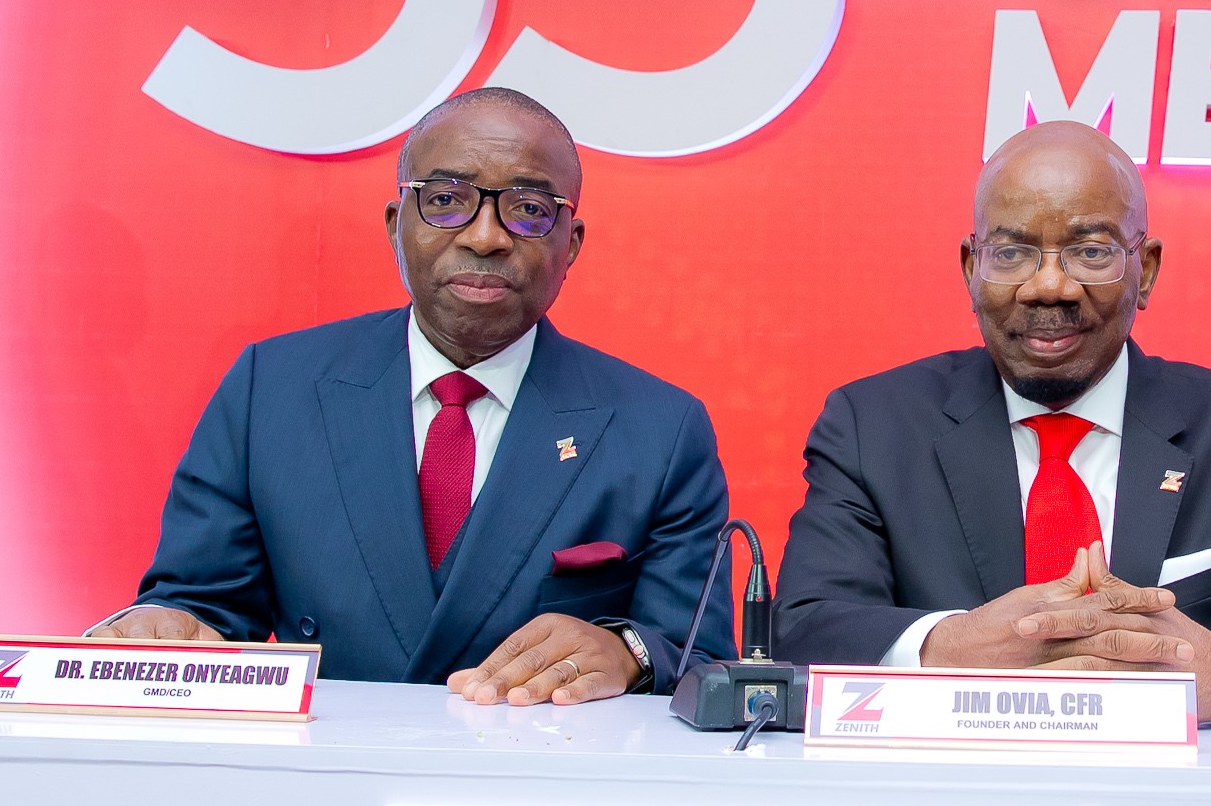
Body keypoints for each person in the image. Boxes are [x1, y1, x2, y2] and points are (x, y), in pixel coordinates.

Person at [89, 88, 732, 703]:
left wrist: (626, 653)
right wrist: (166, 628)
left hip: (536, 786)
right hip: (323, 777)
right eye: (447, 200)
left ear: (572, 245)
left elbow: (695, 653)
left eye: (529, 210)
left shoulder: (660, 429)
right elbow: (203, 606)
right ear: (397, 226)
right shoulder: (273, 390)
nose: (485, 237)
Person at [774, 121, 1211, 727]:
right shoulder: (872, 426)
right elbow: (804, 630)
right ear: (972, 270)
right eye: (1012, 253)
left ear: (1148, 271)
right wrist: (949, 650)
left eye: (1090, 251)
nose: (1048, 287)